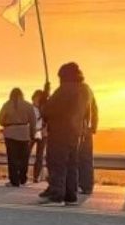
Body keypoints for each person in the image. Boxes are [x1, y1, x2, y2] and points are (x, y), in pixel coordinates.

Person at [40, 62, 93, 206]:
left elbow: (47, 110)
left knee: (57, 163)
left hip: (60, 131)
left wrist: (45, 96)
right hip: (76, 132)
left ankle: (57, 195)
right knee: (71, 164)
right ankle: (70, 195)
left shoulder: (64, 89)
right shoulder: (85, 90)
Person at [0, 88, 37, 187]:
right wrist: (32, 134)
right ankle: (23, 179)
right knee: (24, 158)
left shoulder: (7, 105)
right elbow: (33, 121)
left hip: (10, 133)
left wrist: (5, 123)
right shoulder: (28, 105)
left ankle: (14, 180)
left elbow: (0, 119)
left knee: (12, 158)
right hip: (24, 134)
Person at [78, 89, 99, 194]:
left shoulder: (77, 91)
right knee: (86, 159)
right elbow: (95, 111)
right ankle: (87, 186)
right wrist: (93, 128)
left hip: (78, 130)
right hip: (87, 131)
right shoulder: (89, 92)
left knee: (75, 158)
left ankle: (80, 184)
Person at [30, 87, 50, 183]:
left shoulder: (43, 108)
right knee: (29, 153)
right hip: (35, 132)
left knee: (39, 155)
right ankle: (32, 175)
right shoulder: (31, 108)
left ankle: (36, 176)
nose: (35, 100)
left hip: (41, 132)